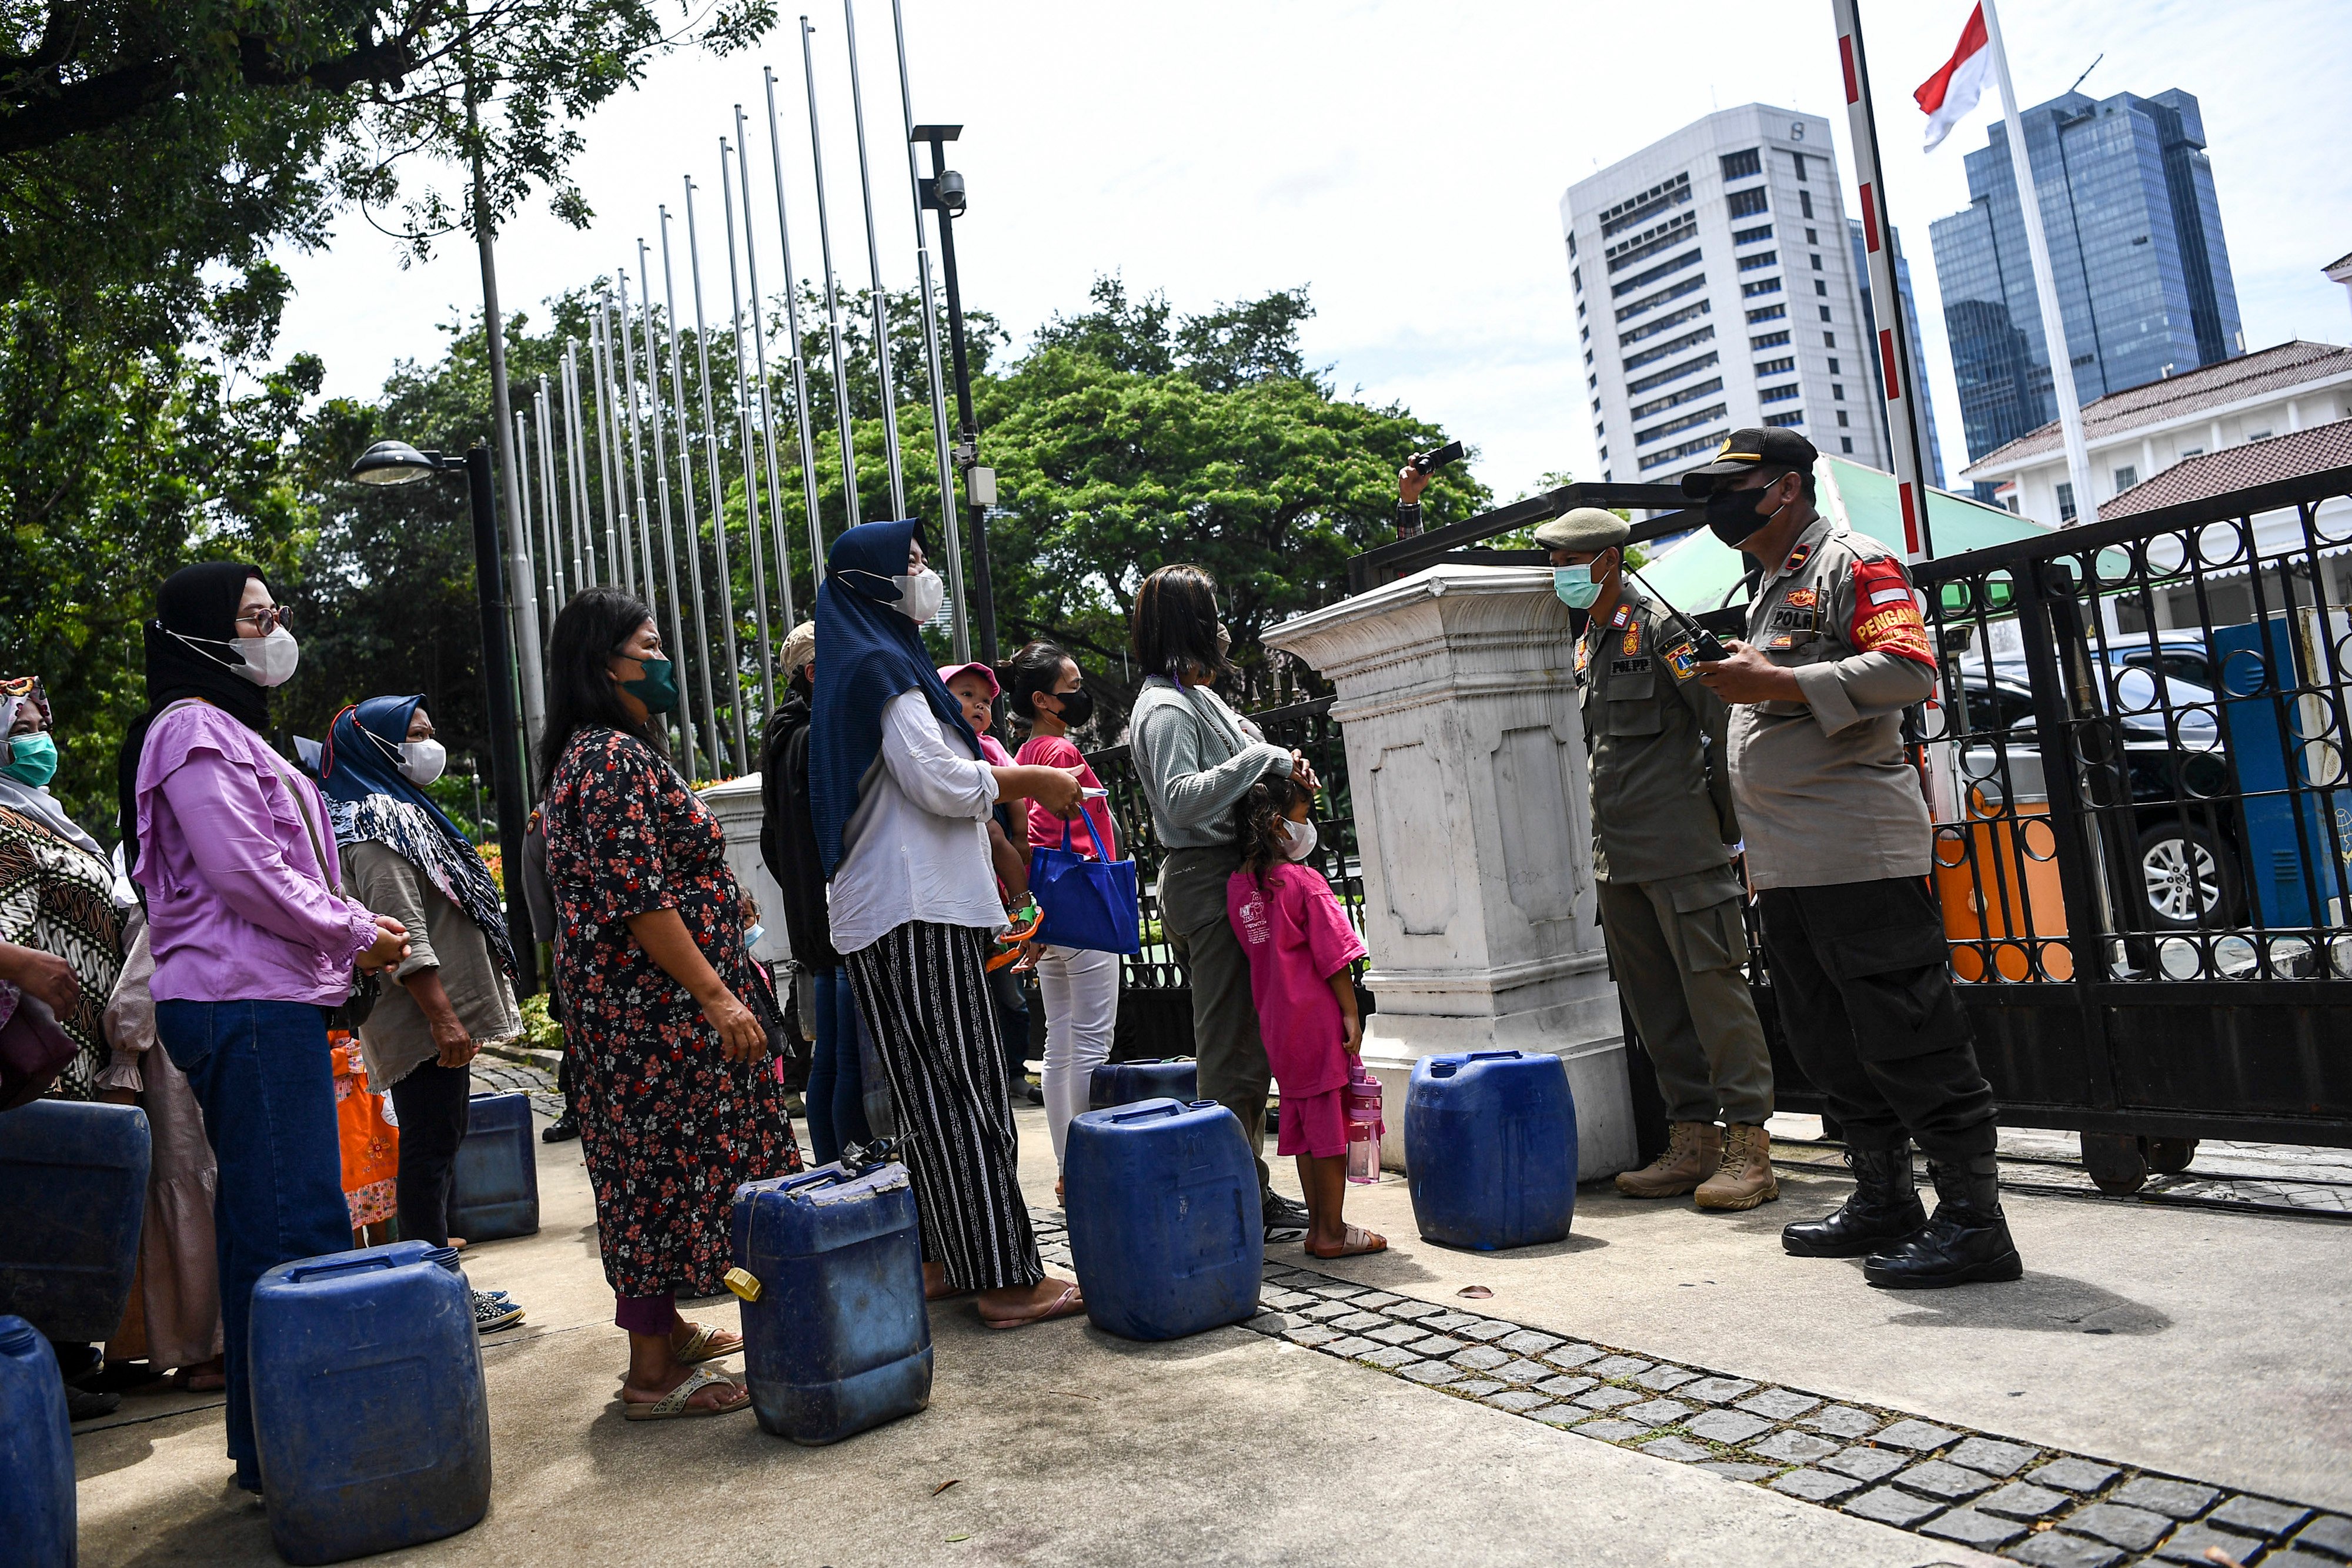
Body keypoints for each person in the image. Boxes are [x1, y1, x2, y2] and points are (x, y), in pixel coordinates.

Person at [1685, 428, 2019, 1289]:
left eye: (1740, 484)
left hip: (1858, 852)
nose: (1724, 501)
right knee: (1831, 1041)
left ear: (1788, 488)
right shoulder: (1767, 585)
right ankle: (1883, 1198)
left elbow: (1910, 670)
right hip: (1790, 862)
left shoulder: (1852, 560)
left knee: (1914, 1036)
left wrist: (1781, 683)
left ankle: (1976, 1222)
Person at [119, 563, 412, 1490]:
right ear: (204, 633)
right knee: (297, 1223)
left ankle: (271, 1446)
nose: (272, 629)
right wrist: (356, 929)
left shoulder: (223, 726)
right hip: (244, 1001)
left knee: (264, 1223)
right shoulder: (193, 730)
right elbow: (245, 871)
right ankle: (317, 1452)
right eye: (253, 616)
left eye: (275, 612)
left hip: (259, 996)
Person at [810, 518, 1087, 1328]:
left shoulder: (861, 662)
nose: (928, 577)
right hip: (916, 908)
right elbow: (935, 780)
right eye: (916, 565)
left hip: (888, 913)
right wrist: (1028, 777)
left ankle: (940, 1256)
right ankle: (1005, 1277)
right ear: (872, 582)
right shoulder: (880, 664)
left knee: (928, 1099)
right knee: (965, 1093)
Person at [539, 586, 801, 1419]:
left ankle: (666, 1328)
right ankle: (651, 1372)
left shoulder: (608, 750)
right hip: (655, 1018)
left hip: (649, 1011)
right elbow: (640, 900)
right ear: (601, 663)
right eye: (646, 648)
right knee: (659, 1176)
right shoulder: (607, 756)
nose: (661, 662)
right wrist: (720, 995)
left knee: (652, 1172)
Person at [1534, 509, 1778, 1211]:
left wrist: (1731, 836)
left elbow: (1723, 724)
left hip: (1682, 851)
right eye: (1555, 565)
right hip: (1619, 859)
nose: (1560, 576)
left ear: (1607, 561)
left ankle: (1749, 1148)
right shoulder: (1593, 641)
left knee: (1715, 995)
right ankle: (1692, 1138)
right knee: (1655, 1006)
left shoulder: (1662, 628)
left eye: (1567, 562)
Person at [322, 696, 529, 1332]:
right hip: (419, 1020)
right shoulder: (373, 825)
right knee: (430, 1148)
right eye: (414, 735)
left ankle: (438, 1285)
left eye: (431, 732)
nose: (428, 746)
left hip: (432, 1016)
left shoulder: (401, 813)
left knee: (439, 1139)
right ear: (376, 746)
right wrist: (444, 1018)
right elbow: (404, 931)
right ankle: (438, 1294)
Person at [1127, 564, 1315, 1241]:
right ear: (1190, 625)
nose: (1225, 628)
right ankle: (1235, 1196)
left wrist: (1279, 765)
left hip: (1233, 878)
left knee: (1249, 1046)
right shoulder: (1166, 708)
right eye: (1211, 612)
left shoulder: (1197, 698)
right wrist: (1260, 759)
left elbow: (1248, 765)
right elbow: (1181, 797)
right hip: (1206, 883)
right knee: (1230, 1049)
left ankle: (1249, 1187)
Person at [1227, 773, 1381, 1259]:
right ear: (1278, 825)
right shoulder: (1304, 882)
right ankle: (1331, 1231)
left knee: (1309, 1126)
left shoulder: (1239, 887)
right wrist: (1351, 1012)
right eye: (1303, 814)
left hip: (1278, 1025)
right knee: (1330, 1129)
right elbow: (1335, 957)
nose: (1307, 824)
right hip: (1316, 1023)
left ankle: (1321, 1226)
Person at [1004, 640, 1123, 1196]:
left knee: (1058, 1042)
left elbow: (1025, 839)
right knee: (1092, 1044)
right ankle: (1090, 1165)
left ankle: (1065, 1164)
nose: (1080, 697)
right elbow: (1061, 832)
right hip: (1085, 904)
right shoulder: (1060, 755)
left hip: (1046, 912)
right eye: (1071, 690)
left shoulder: (1019, 756)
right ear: (1043, 700)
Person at [759, 620, 872, 1166]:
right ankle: (847, 1169)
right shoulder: (813, 739)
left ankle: (831, 1167)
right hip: (841, 918)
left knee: (828, 1056)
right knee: (847, 1058)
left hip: (813, 921)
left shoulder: (782, 741)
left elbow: (771, 843)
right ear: (813, 671)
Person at [0, 677, 126, 1102]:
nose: (39, 740)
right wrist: (39, 1078)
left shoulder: (52, 822)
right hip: (39, 1079)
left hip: (86, 1064)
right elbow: (10, 940)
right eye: (21, 732)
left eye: (41, 728)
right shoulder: (3, 821)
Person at [938, 660, 1039, 1105]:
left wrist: (1021, 841)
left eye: (985, 700)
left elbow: (1015, 804)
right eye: (966, 695)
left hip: (995, 892)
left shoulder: (989, 747)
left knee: (1011, 997)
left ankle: (1014, 1071)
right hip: (961, 893)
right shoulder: (938, 749)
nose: (979, 706)